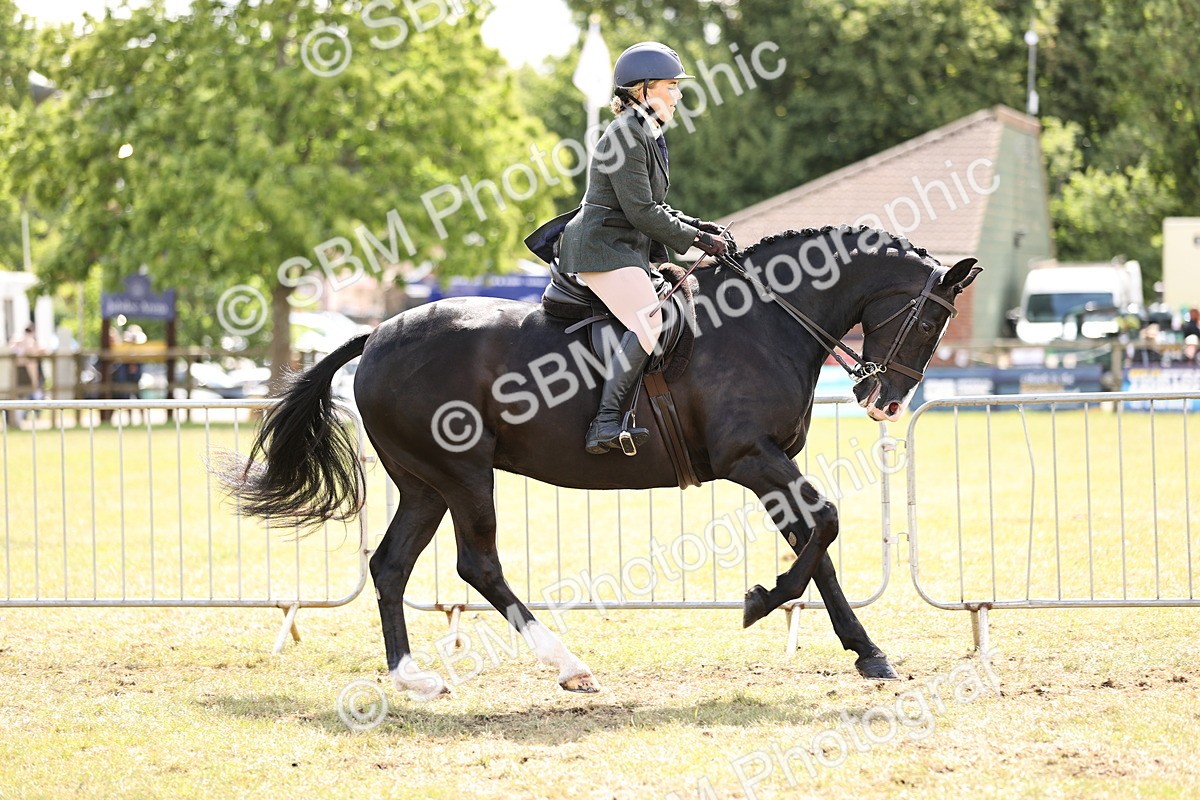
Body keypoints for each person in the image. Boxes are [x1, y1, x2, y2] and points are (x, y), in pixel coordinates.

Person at [555, 41, 729, 454]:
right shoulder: (625, 135)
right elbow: (643, 213)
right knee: (649, 320)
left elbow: (658, 206)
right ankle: (605, 423)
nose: (679, 94)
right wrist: (697, 241)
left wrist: (699, 225)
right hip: (601, 248)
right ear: (643, 88)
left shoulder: (646, 133)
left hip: (621, 247)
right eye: (672, 85)